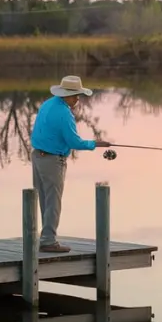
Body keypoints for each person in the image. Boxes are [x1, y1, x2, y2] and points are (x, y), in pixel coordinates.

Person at [29, 75, 111, 253]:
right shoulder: (64, 113)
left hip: (37, 156)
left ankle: (45, 237)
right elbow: (75, 142)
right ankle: (48, 241)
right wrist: (95, 144)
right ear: (66, 95)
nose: (77, 99)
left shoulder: (48, 104)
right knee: (54, 201)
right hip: (51, 160)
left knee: (44, 199)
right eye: (75, 96)